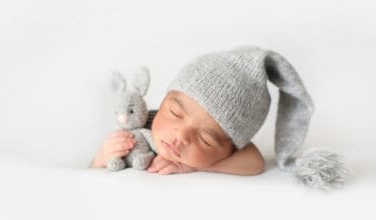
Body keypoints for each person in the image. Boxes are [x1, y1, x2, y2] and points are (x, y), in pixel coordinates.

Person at [92, 45, 337, 185]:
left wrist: (193, 165)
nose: (181, 136)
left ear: (230, 148)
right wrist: (104, 156)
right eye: (175, 112)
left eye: (207, 139)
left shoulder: (228, 153)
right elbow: (92, 174)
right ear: (166, 99)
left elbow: (255, 163)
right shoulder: (139, 127)